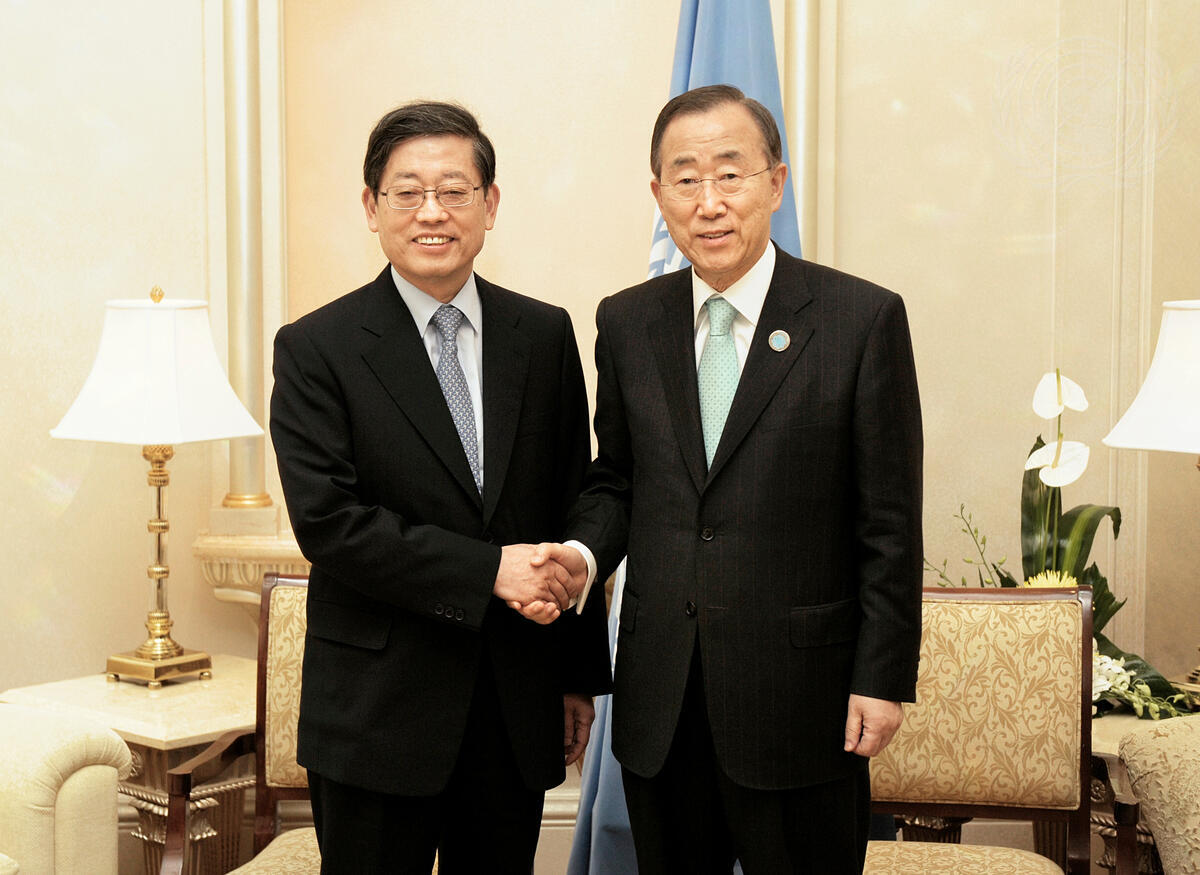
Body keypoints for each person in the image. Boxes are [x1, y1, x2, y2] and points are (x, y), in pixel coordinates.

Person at [536, 84, 923, 873]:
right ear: (659, 196)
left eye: (729, 174)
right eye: (686, 179)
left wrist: (881, 678)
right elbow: (618, 481)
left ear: (775, 183)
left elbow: (888, 522)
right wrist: (580, 554)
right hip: (663, 701)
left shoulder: (859, 320)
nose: (708, 202)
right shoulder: (627, 321)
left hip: (803, 702)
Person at [269, 100, 611, 874]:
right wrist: (489, 570)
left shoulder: (544, 334)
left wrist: (575, 675)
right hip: (376, 711)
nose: (433, 212)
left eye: (455, 190)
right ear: (372, 206)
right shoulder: (318, 347)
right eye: (408, 191)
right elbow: (331, 523)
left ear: (490, 204)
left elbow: (571, 497)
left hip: (514, 702)